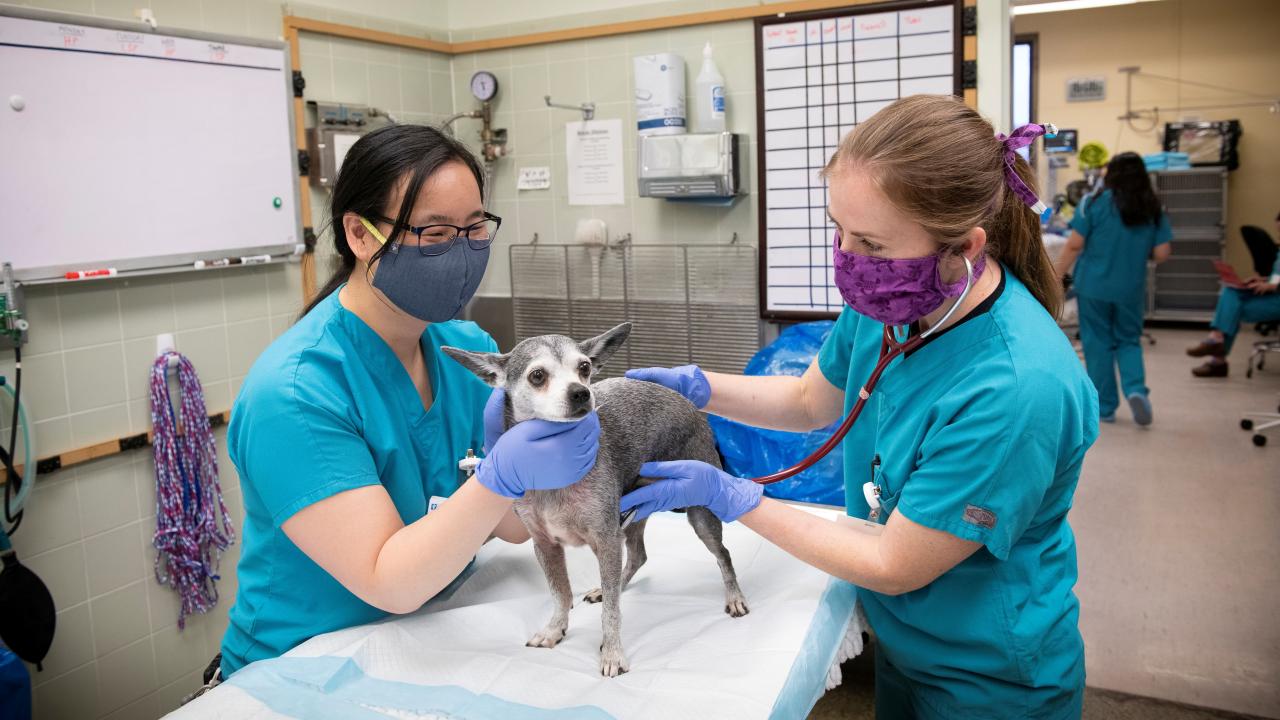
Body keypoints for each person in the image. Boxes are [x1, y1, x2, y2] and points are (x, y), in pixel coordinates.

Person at [596, 96, 1097, 719]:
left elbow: (893, 563)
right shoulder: (891, 303)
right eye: (840, 230)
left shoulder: (1018, 388)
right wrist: (699, 387)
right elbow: (810, 400)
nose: (849, 259)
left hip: (989, 672)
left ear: (963, 249)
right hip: (904, 644)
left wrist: (736, 498)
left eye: (872, 243)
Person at [216, 124, 600, 679]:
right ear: (360, 234)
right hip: (302, 667)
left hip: (429, 631)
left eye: (474, 229)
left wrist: (579, 468)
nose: (463, 251)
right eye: (437, 232)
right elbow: (387, 578)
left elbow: (514, 526)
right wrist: (506, 475)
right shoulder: (295, 394)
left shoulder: (468, 352)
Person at [1053, 152, 1172, 424]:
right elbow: (1163, 252)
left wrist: (1055, 276)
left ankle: (1105, 407)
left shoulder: (1092, 203)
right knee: (1129, 340)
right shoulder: (1152, 208)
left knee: (1097, 344)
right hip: (1130, 287)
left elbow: (1073, 245)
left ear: (1111, 175)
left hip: (1093, 287)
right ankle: (1136, 391)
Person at [1185, 212, 1280, 376]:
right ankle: (1216, 341)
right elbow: (1277, 275)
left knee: (1232, 309)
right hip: (1271, 291)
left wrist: (1272, 286)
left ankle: (1217, 357)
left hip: (1276, 297)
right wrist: (1262, 280)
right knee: (1231, 290)